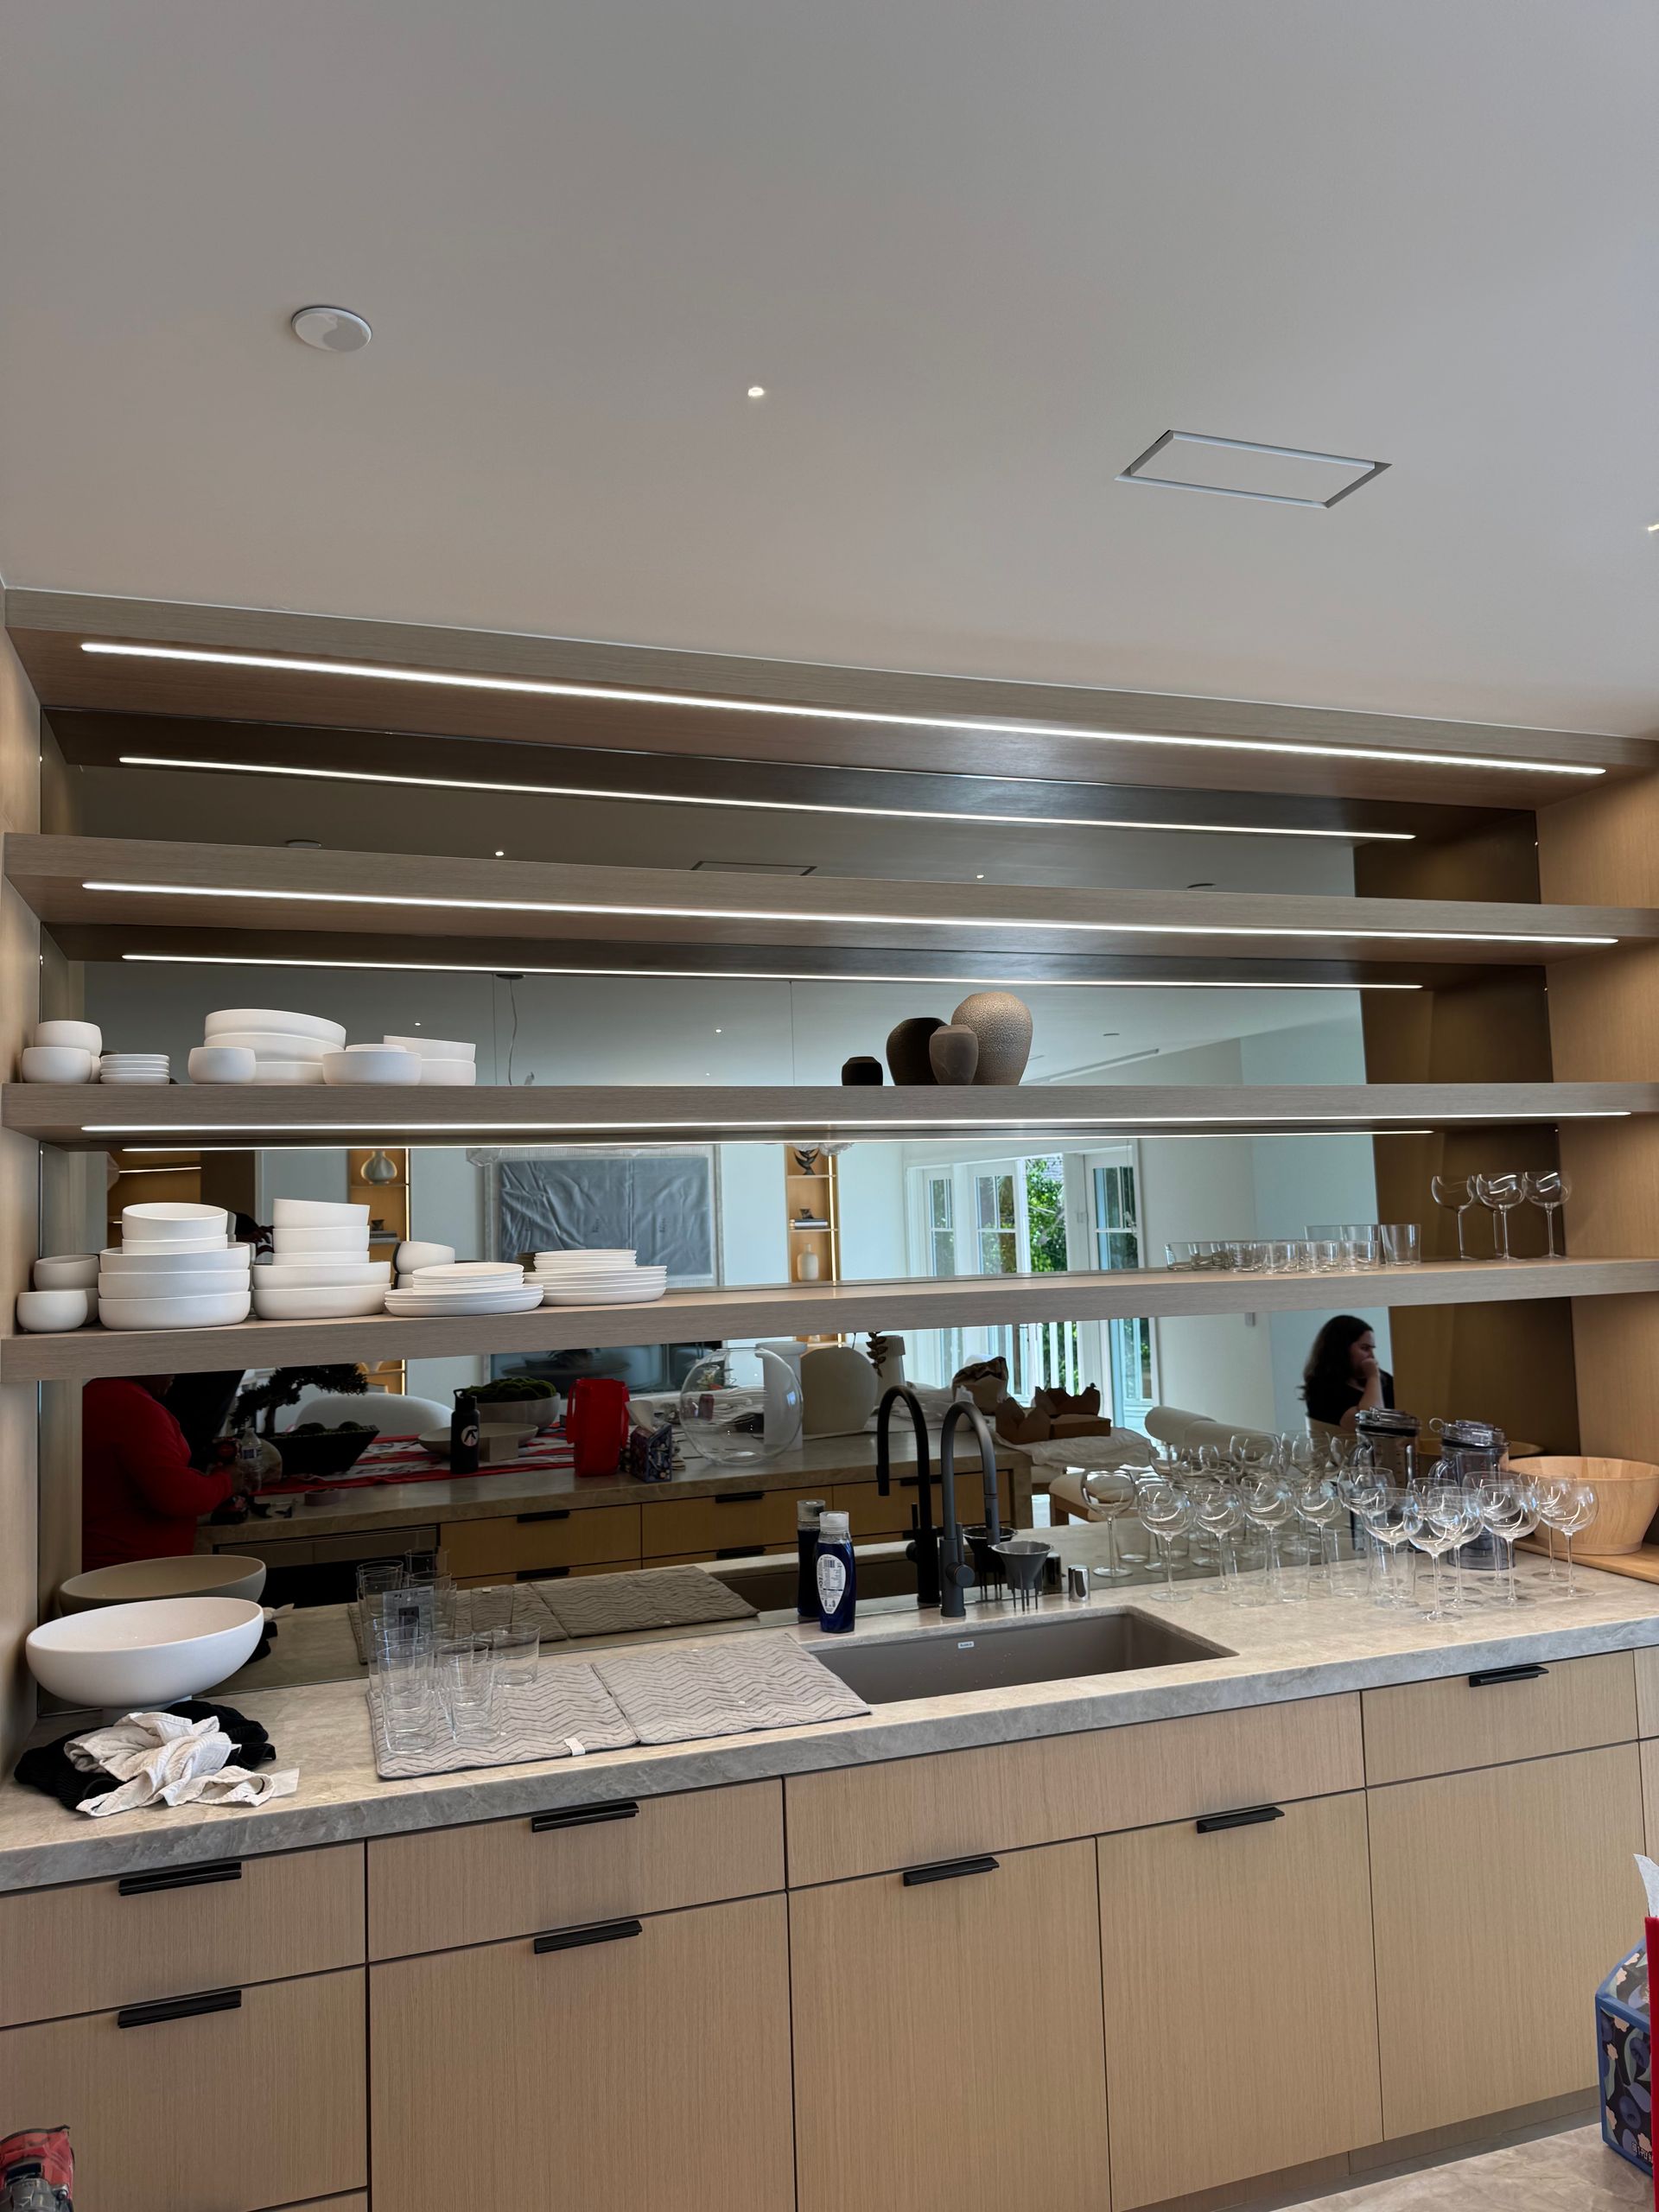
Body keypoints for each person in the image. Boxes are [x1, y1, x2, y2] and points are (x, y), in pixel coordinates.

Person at [81, 1375, 238, 1573]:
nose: (173, 1372)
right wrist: (228, 1480)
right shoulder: (133, 1406)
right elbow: (177, 1495)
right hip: (134, 1571)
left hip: (115, 1568)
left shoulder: (95, 1395)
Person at [1300, 1315, 1394, 1436]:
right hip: (1344, 1453)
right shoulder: (1321, 1388)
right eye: (1365, 1348)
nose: (1372, 1356)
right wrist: (1373, 1377)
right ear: (1342, 1349)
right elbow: (1371, 1423)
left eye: (1372, 1349)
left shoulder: (1384, 1380)